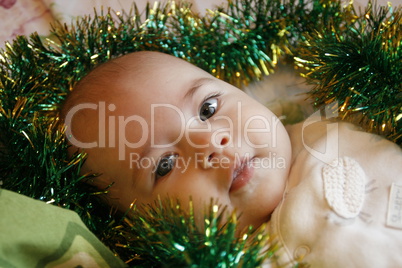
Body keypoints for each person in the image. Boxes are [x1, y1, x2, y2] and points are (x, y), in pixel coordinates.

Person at [62, 51, 402, 267]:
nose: (211, 143)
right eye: (164, 164)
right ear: (145, 228)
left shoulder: (338, 124)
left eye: (208, 108)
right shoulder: (234, 261)